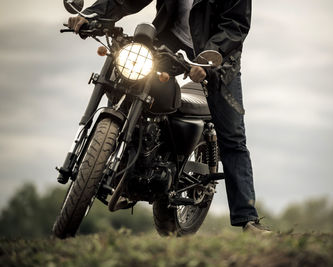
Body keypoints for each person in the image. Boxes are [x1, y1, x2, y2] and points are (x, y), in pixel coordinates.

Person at [68, 0, 270, 233]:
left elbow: (235, 25)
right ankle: (127, 164)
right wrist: (91, 14)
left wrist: (210, 58)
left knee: (232, 136)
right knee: (128, 75)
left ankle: (248, 220)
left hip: (217, 53)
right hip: (171, 41)